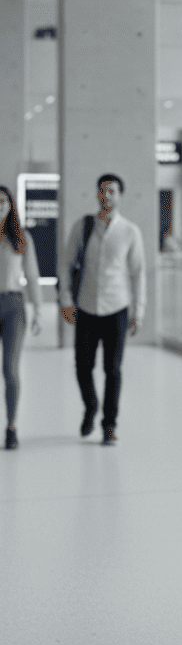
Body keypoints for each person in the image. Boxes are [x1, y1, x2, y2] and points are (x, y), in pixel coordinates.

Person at [58, 174, 146, 446]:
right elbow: (66, 264)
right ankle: (91, 405)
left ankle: (109, 425)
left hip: (117, 308)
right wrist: (65, 300)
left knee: (113, 369)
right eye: (102, 190)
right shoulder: (83, 227)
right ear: (97, 194)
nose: (106, 195)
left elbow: (138, 273)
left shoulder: (130, 231)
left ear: (120, 195)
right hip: (86, 307)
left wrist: (138, 311)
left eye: (112, 191)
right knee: (82, 367)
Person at [0, 186, 42, 450]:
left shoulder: (21, 238)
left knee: (10, 369)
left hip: (13, 306)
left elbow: (33, 276)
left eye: (2, 201)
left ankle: (12, 426)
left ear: (10, 205)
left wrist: (38, 310)